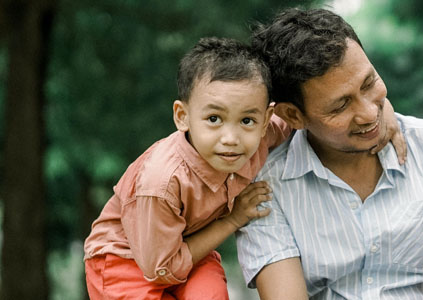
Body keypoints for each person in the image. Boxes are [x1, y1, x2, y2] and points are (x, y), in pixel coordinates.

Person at [82, 36, 405, 299]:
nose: (231, 138)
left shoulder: (262, 137)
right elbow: (160, 268)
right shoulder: (161, 182)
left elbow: (313, 114)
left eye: (247, 120)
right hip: (127, 261)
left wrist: (383, 112)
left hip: (192, 250)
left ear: (265, 120)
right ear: (182, 116)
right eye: (213, 119)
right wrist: (234, 219)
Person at [234, 8, 423, 299]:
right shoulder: (266, 191)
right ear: (293, 115)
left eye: (369, 83)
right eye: (340, 106)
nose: (367, 113)